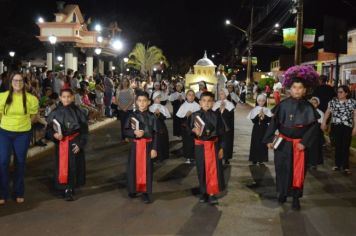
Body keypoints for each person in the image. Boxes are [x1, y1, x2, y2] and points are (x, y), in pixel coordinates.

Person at [263, 77, 320, 210]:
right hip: (282, 143)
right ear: (290, 89)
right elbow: (274, 123)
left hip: (299, 145)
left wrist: (304, 142)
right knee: (281, 169)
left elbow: (313, 127)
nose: (297, 90)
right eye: (295, 87)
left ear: (304, 90)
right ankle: (282, 193)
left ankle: (295, 197)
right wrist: (269, 139)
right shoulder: (282, 104)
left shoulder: (308, 107)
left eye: (300, 88)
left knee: (298, 172)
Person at [0, 72, 39, 204]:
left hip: (23, 134)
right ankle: (2, 193)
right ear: (10, 82)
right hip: (4, 133)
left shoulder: (31, 98)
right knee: (3, 162)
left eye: (21, 81)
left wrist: (25, 123)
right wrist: (6, 124)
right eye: (15, 81)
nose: (18, 83)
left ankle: (19, 192)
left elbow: (34, 116)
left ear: (24, 83)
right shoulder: (2, 96)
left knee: (20, 163)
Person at [46, 89, 88, 201]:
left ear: (73, 97)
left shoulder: (79, 111)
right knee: (62, 166)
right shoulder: (54, 112)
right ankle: (64, 187)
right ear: (60, 97)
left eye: (69, 96)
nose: (66, 99)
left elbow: (84, 130)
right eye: (64, 97)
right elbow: (48, 130)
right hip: (61, 143)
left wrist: (80, 144)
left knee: (74, 166)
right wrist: (54, 135)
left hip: (75, 141)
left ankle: (70, 187)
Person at [191, 91, 225, 205]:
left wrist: (222, 148)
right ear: (200, 102)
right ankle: (203, 192)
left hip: (213, 146)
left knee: (213, 170)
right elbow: (189, 130)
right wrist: (193, 131)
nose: (206, 103)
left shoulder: (217, 115)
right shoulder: (195, 115)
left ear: (213, 103)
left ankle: (212, 193)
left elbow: (222, 133)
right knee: (201, 169)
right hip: (200, 146)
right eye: (204, 101)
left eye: (209, 101)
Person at [124, 91, 158, 204]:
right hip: (136, 146)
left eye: (144, 101)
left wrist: (154, 148)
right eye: (139, 101)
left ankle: (146, 192)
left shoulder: (152, 117)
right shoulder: (132, 116)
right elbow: (126, 131)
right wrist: (134, 133)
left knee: (147, 169)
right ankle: (133, 189)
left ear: (148, 102)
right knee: (133, 167)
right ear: (136, 102)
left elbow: (156, 134)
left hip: (148, 146)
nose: (142, 103)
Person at [321, 85, 356, 175]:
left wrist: (355, 128)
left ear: (346, 93)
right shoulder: (333, 102)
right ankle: (337, 164)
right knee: (337, 145)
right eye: (338, 92)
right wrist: (324, 122)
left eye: (341, 92)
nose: (339, 94)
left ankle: (345, 167)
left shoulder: (352, 102)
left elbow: (355, 116)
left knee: (345, 146)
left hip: (347, 126)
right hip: (336, 126)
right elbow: (327, 112)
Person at [176, 89, 200, 164]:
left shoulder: (197, 105)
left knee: (194, 143)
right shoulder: (183, 105)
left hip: (194, 128)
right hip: (185, 128)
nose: (191, 96)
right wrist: (186, 115)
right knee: (187, 143)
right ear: (186, 96)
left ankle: (194, 157)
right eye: (189, 95)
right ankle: (188, 157)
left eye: (192, 95)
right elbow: (179, 117)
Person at [247, 94, 272, 165]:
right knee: (255, 143)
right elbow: (253, 121)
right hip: (256, 128)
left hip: (264, 128)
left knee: (263, 143)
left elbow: (270, 120)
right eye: (260, 101)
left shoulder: (267, 110)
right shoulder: (254, 110)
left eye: (263, 101)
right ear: (257, 101)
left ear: (265, 101)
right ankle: (254, 158)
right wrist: (258, 116)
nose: (261, 102)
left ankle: (262, 158)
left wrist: (264, 116)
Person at [213, 88, 235, 165]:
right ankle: (218, 156)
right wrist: (219, 110)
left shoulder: (230, 104)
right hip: (218, 126)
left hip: (226, 128)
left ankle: (226, 157)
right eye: (220, 93)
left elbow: (230, 116)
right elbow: (213, 114)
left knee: (226, 142)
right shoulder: (216, 103)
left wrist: (223, 110)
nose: (220, 95)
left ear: (226, 94)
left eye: (222, 93)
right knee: (218, 141)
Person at [149, 91, 171, 162]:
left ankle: (163, 156)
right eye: (157, 98)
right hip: (153, 127)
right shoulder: (150, 107)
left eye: (159, 98)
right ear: (153, 99)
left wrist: (159, 114)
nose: (158, 99)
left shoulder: (163, 107)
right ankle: (156, 157)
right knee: (155, 142)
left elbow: (165, 117)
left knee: (162, 140)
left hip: (161, 126)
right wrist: (155, 114)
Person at [308, 97, 325, 169]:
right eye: (312, 102)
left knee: (315, 148)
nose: (313, 104)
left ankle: (314, 163)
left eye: (315, 103)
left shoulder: (320, 112)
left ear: (317, 104)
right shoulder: (306, 111)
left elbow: (321, 124)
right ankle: (307, 162)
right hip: (307, 132)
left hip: (316, 133)